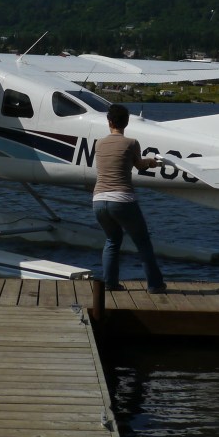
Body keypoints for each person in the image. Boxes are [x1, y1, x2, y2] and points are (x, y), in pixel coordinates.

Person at [92, 103, 167, 294]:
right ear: (126, 123)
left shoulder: (98, 144)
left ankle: (110, 283)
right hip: (122, 200)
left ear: (109, 122)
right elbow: (140, 166)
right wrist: (152, 162)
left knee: (112, 240)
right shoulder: (131, 143)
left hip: (99, 201)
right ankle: (155, 285)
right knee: (142, 243)